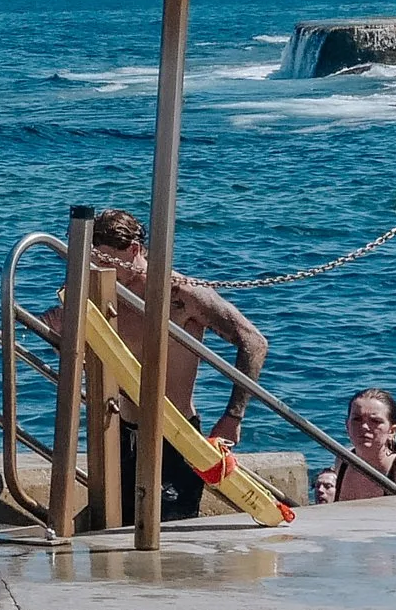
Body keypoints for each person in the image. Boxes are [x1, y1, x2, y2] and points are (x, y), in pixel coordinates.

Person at [85, 207, 270, 524]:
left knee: (171, 531)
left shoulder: (180, 294)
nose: (100, 269)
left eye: (106, 261)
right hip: (120, 433)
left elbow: (254, 342)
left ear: (134, 250)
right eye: (95, 261)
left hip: (176, 436)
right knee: (113, 529)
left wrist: (233, 416)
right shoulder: (101, 292)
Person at [315, 389, 396, 501]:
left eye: (375, 421)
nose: (364, 427)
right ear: (347, 425)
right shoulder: (343, 461)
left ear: (392, 431)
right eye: (357, 419)